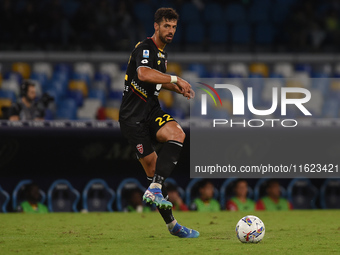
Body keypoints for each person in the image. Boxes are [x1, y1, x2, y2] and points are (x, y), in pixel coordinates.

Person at [119, 7, 198, 238]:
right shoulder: (146, 48)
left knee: (177, 134)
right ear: (156, 26)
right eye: (166, 26)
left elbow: (156, 81)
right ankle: (173, 226)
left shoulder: (162, 54)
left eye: (174, 27)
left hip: (151, 110)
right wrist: (177, 78)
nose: (170, 30)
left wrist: (177, 87)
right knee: (153, 169)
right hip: (133, 117)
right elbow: (143, 74)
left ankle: (154, 188)